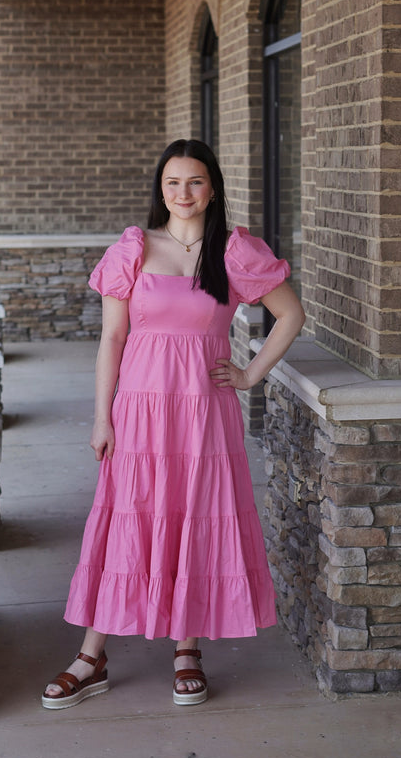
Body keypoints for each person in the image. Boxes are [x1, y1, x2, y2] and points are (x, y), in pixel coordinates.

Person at [42, 139, 305, 709]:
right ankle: (92, 654)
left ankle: (188, 649)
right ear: (160, 189)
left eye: (194, 182)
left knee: (195, 517)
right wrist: (101, 417)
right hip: (138, 410)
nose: (182, 193)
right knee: (129, 519)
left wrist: (251, 374)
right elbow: (112, 339)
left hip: (204, 413)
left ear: (213, 187)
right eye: (172, 183)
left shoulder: (235, 252)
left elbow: (291, 314)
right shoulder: (134, 248)